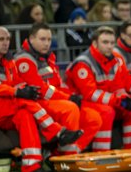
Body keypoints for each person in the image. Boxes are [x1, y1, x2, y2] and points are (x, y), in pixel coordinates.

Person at [0, 26, 83, 172]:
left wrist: (26, 89)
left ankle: (31, 166)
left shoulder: (8, 60)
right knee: (22, 100)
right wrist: (18, 92)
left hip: (1, 107)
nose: (5, 43)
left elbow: (17, 82)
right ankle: (56, 132)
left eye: (8, 39)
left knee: (25, 114)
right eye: (1, 39)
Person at [14, 23, 101, 154]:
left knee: (94, 118)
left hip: (53, 101)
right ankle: (67, 156)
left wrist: (71, 95)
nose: (46, 43)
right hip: (36, 103)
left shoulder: (47, 57)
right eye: (42, 39)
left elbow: (58, 85)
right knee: (70, 109)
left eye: (49, 40)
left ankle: (65, 152)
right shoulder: (24, 60)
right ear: (31, 39)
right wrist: (68, 98)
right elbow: (40, 90)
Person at [66, 26, 131, 150]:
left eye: (112, 43)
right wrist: (117, 101)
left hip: (105, 101)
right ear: (95, 44)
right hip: (81, 102)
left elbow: (118, 87)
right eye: (105, 42)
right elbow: (90, 94)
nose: (109, 46)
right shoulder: (83, 63)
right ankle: (101, 151)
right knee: (107, 112)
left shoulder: (116, 60)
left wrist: (124, 98)